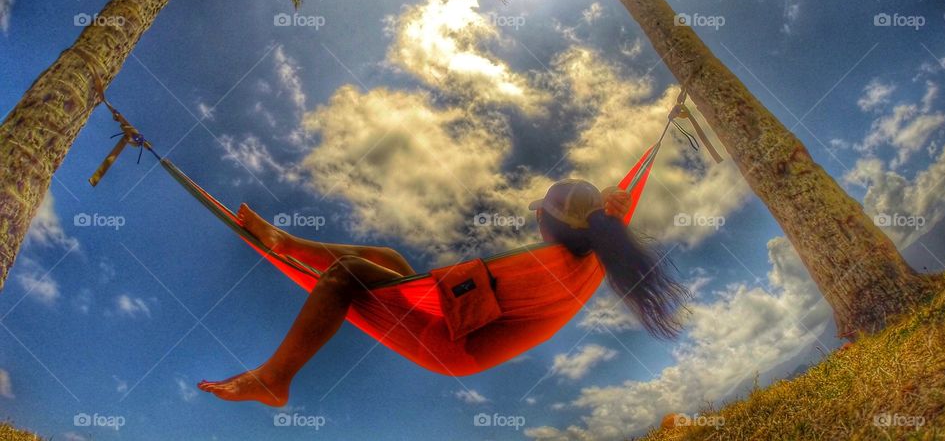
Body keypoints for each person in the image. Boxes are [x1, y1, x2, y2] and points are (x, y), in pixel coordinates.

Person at [198, 179, 688, 405]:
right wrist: (613, 204)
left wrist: (609, 206)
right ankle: (285, 241)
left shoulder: (546, 263)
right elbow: (600, 215)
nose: (535, 217)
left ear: (549, 222)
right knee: (386, 261)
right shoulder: (598, 245)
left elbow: (454, 292)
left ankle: (274, 379)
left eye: (540, 213)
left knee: (348, 274)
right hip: (468, 324)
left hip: (457, 344)